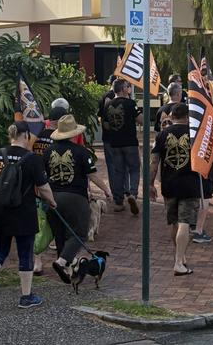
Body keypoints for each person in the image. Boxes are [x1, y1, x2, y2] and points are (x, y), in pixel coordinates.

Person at [0, 121, 57, 309]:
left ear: (11, 135)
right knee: (25, 253)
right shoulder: (32, 159)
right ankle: (26, 296)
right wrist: (52, 201)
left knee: (0, 250)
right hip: (24, 213)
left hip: (1, 211)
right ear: (26, 135)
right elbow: (43, 187)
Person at [44, 115, 112, 284]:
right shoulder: (81, 152)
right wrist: (106, 190)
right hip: (76, 197)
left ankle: (65, 269)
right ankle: (61, 262)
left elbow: (42, 176)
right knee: (80, 232)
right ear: (74, 134)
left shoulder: (47, 152)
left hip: (54, 196)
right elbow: (93, 175)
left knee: (59, 234)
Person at [150, 103, 198, 275]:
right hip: (189, 183)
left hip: (169, 184)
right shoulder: (193, 135)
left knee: (174, 222)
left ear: (172, 116)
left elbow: (154, 161)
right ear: (187, 117)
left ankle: (181, 256)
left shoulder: (162, 135)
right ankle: (179, 262)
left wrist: (150, 183)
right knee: (185, 223)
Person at [32, 106, 67, 275]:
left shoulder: (36, 136)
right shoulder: (58, 139)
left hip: (34, 185)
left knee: (38, 224)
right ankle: (61, 260)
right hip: (53, 185)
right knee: (57, 224)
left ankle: (37, 262)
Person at [104, 78, 143, 214]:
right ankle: (132, 193)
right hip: (130, 142)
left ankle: (118, 202)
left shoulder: (108, 105)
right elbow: (141, 120)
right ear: (122, 89)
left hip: (114, 143)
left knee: (118, 172)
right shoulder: (131, 103)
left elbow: (106, 124)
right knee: (134, 168)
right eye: (128, 86)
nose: (129, 88)